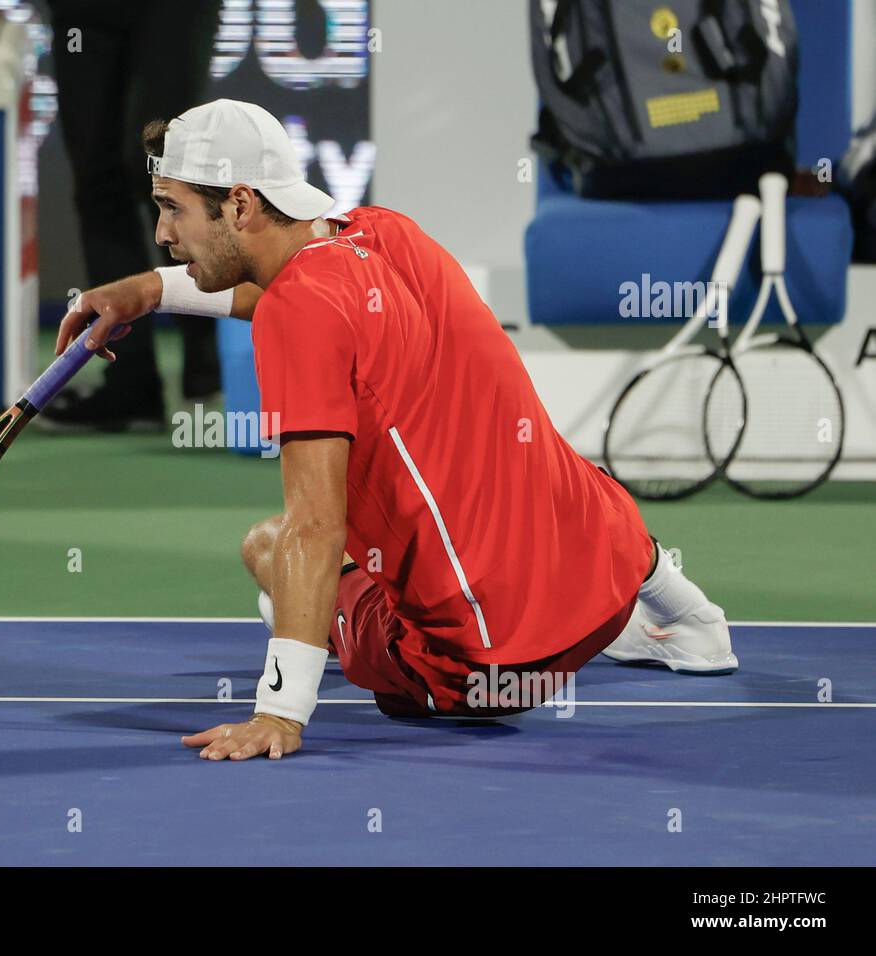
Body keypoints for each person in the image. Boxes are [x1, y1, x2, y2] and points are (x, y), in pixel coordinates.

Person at [56, 99, 740, 762]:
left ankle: (330, 640)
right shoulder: (385, 233)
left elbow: (315, 529)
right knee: (515, 446)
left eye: (173, 209)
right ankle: (695, 626)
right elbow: (293, 294)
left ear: (240, 203)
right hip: (605, 577)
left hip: (488, 674)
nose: (163, 236)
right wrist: (149, 290)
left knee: (269, 547)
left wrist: (279, 712)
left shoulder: (299, 314)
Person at [39, 0, 223, 432]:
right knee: (97, 181)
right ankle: (131, 385)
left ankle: (209, 344)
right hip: (82, 12)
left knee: (155, 162)